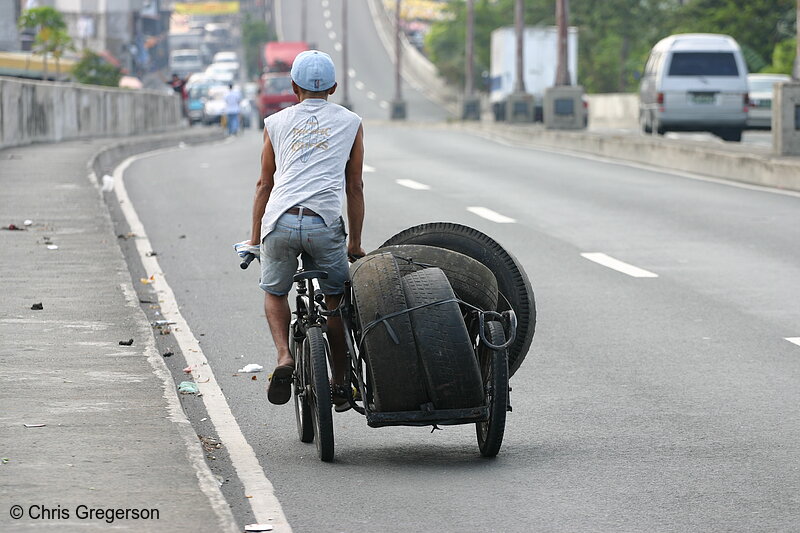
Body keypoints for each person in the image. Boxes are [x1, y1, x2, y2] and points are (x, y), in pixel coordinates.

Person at [236, 50, 365, 409]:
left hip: (279, 221)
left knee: (275, 292)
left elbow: (265, 184)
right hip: (324, 223)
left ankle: (283, 357)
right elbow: (354, 187)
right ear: (334, 88)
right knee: (336, 301)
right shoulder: (351, 122)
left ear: (294, 87)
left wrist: (254, 238)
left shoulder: (275, 123)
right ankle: (340, 382)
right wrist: (354, 242)